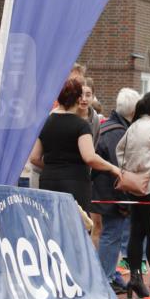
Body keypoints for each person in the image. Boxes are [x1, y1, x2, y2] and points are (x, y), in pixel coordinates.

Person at [30, 77, 121, 217]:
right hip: (74, 183)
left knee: (51, 228)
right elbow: (89, 157)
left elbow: (35, 158)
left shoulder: (45, 122)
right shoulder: (81, 125)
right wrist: (112, 168)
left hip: (48, 181)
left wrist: (54, 166)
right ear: (78, 98)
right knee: (75, 228)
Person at [116, 90, 150, 299]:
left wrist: (128, 172)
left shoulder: (132, 127)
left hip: (133, 184)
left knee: (136, 232)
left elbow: (120, 151)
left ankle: (135, 275)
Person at [91, 87, 140, 294]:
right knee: (111, 234)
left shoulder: (110, 128)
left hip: (105, 191)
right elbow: (117, 166)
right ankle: (105, 277)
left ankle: (108, 274)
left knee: (107, 233)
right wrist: (122, 199)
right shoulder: (117, 132)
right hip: (109, 192)